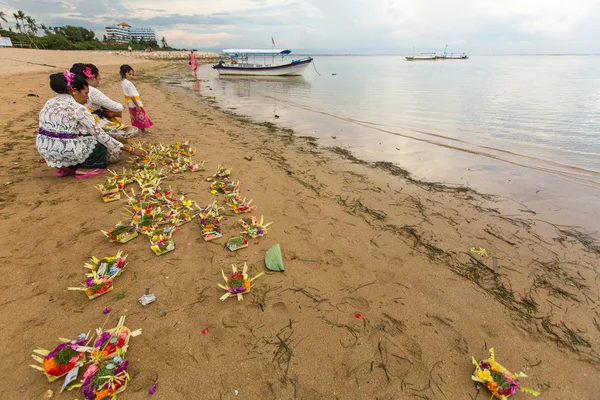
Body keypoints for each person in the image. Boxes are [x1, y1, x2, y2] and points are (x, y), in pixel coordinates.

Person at [37, 71, 145, 178]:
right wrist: (131, 150)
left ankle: (65, 166)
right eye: (86, 93)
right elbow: (100, 135)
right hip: (66, 152)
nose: (87, 98)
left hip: (46, 150)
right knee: (102, 146)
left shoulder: (49, 102)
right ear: (74, 91)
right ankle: (79, 168)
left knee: (84, 136)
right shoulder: (78, 108)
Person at [120, 65, 153, 134]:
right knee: (140, 116)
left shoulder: (123, 82)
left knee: (135, 116)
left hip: (130, 102)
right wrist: (137, 105)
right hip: (134, 102)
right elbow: (132, 96)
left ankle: (139, 129)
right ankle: (143, 130)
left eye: (132, 74)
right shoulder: (128, 83)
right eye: (129, 74)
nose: (131, 76)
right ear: (123, 74)